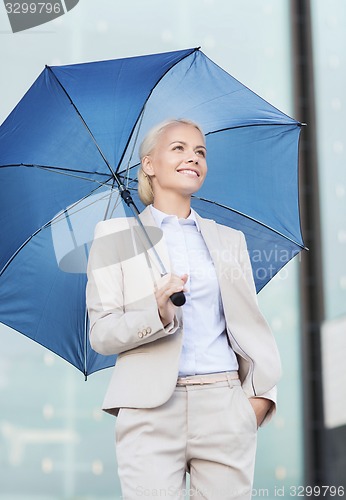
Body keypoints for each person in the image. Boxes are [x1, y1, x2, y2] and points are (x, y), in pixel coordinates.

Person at [86, 118, 281, 499]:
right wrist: (157, 314)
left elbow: (248, 325)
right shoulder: (114, 239)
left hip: (224, 405)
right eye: (178, 148)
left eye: (200, 152)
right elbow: (102, 333)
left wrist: (257, 400)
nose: (193, 157)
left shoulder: (230, 240)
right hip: (149, 413)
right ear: (149, 164)